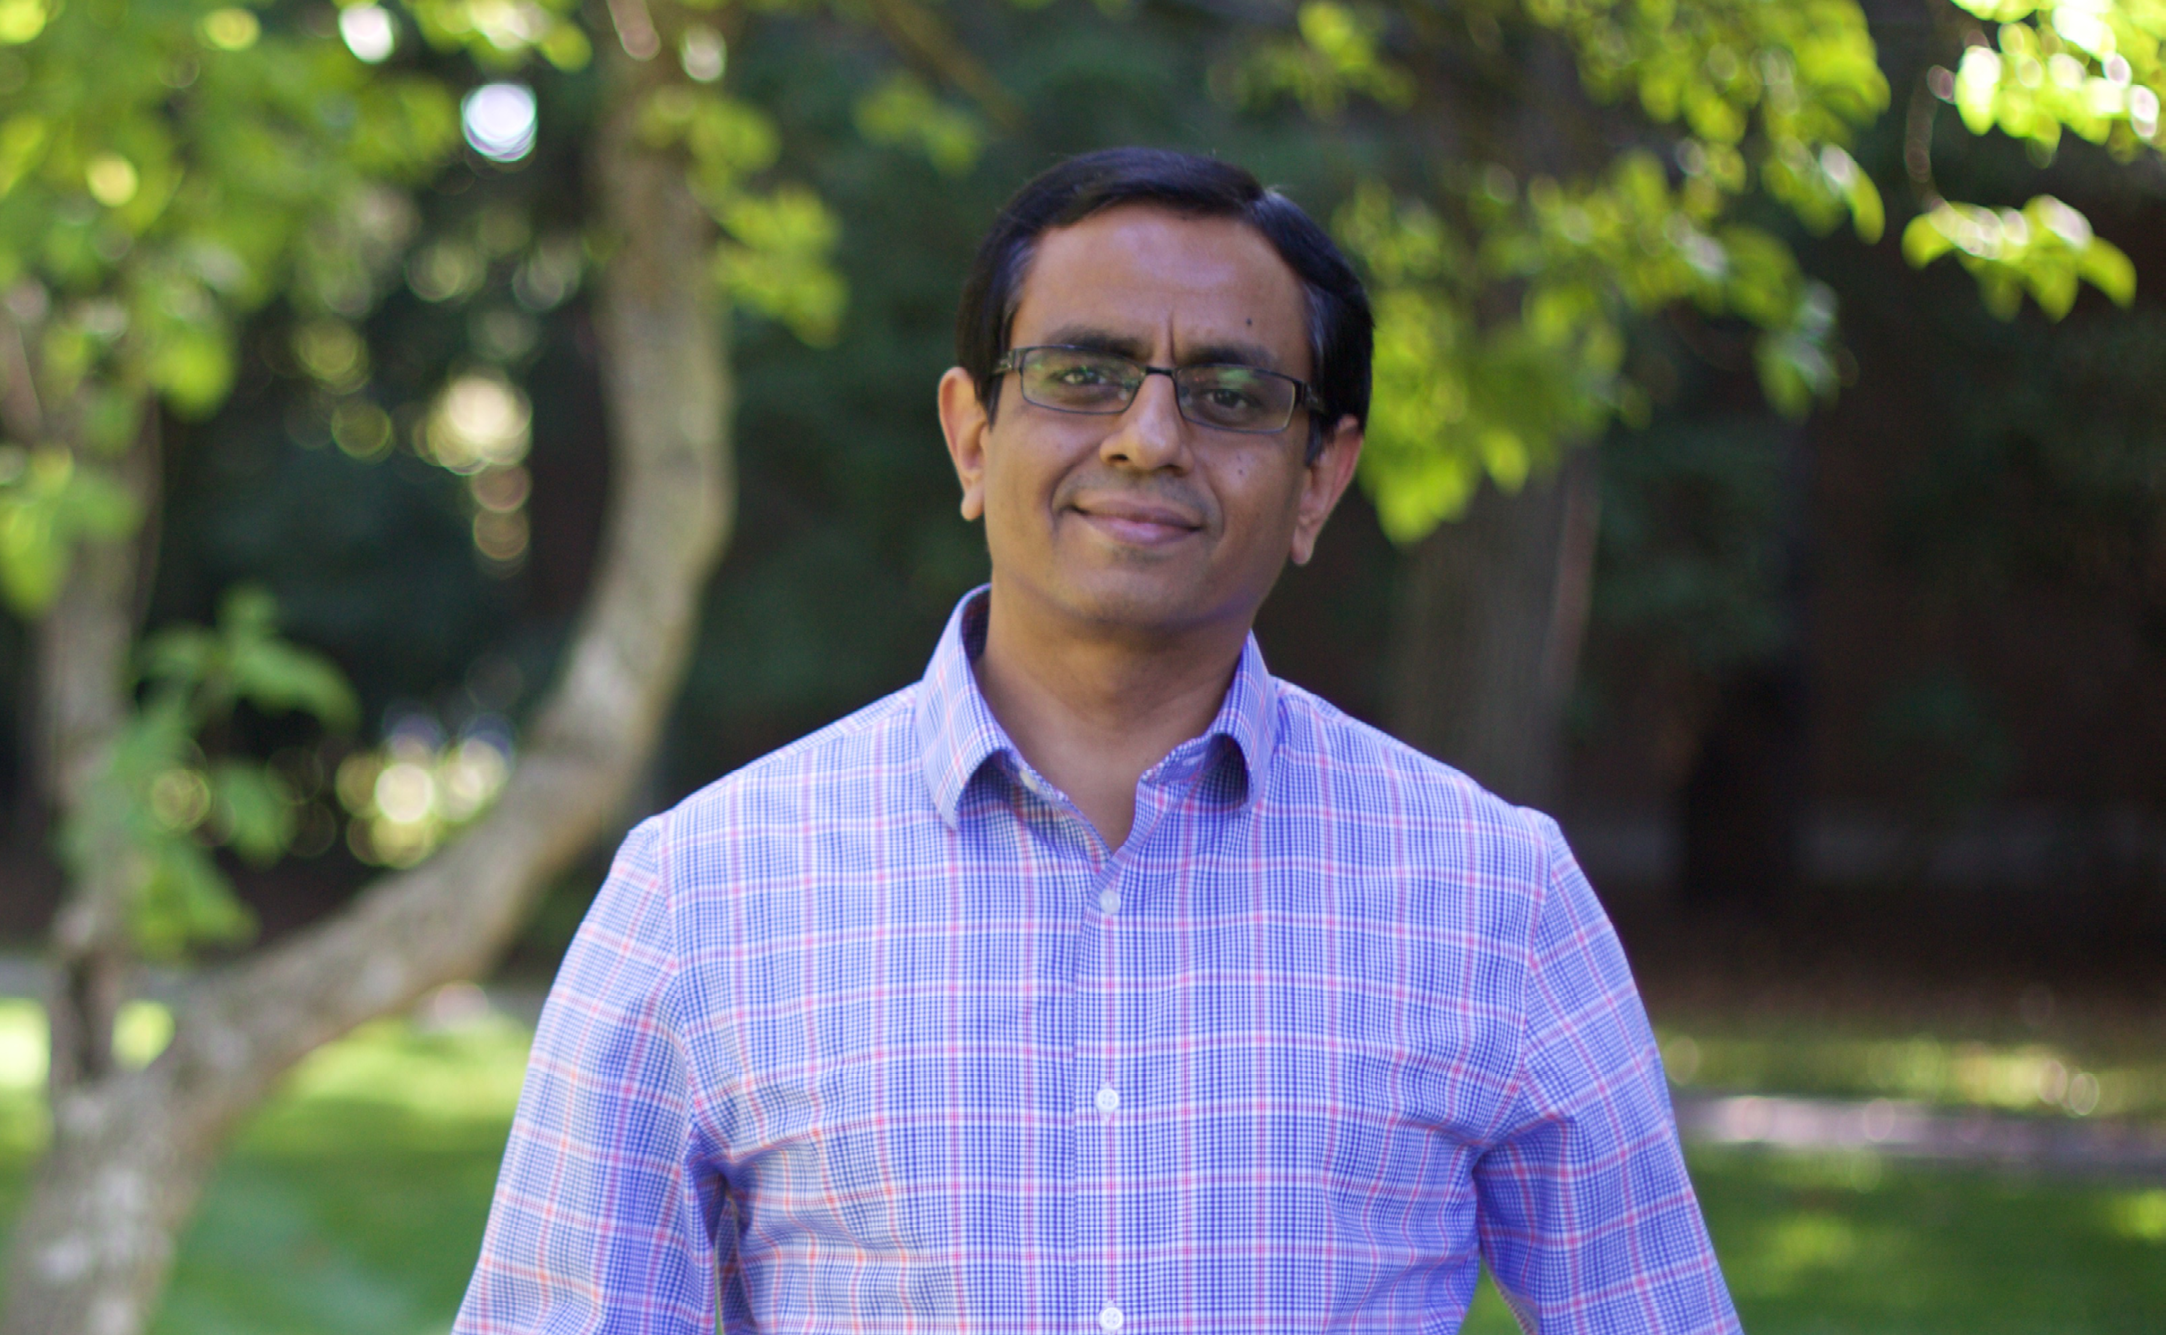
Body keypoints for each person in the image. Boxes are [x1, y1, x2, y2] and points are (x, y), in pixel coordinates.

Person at [454, 146, 1737, 1333]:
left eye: (1232, 395)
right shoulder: (702, 891)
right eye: (1081, 375)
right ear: (970, 435)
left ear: (1319, 479)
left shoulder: (1490, 896)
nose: (1147, 437)